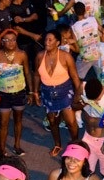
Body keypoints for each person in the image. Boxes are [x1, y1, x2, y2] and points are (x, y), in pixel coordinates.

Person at [35, 30, 82, 158]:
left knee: (71, 122)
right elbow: (36, 75)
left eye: (50, 40)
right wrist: (34, 92)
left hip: (65, 91)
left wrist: (78, 95)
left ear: (58, 42)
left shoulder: (66, 57)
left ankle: (75, 145)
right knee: (52, 121)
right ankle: (57, 144)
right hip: (47, 92)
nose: (47, 42)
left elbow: (75, 77)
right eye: (46, 40)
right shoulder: (40, 56)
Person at [0, 30, 32, 156]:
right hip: (3, 94)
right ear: (2, 42)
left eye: (13, 39)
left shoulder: (22, 55)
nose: (10, 42)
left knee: (18, 121)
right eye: (7, 40)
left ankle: (17, 146)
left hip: (19, 93)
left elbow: (27, 73)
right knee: (4, 123)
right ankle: (2, 149)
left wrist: (30, 91)